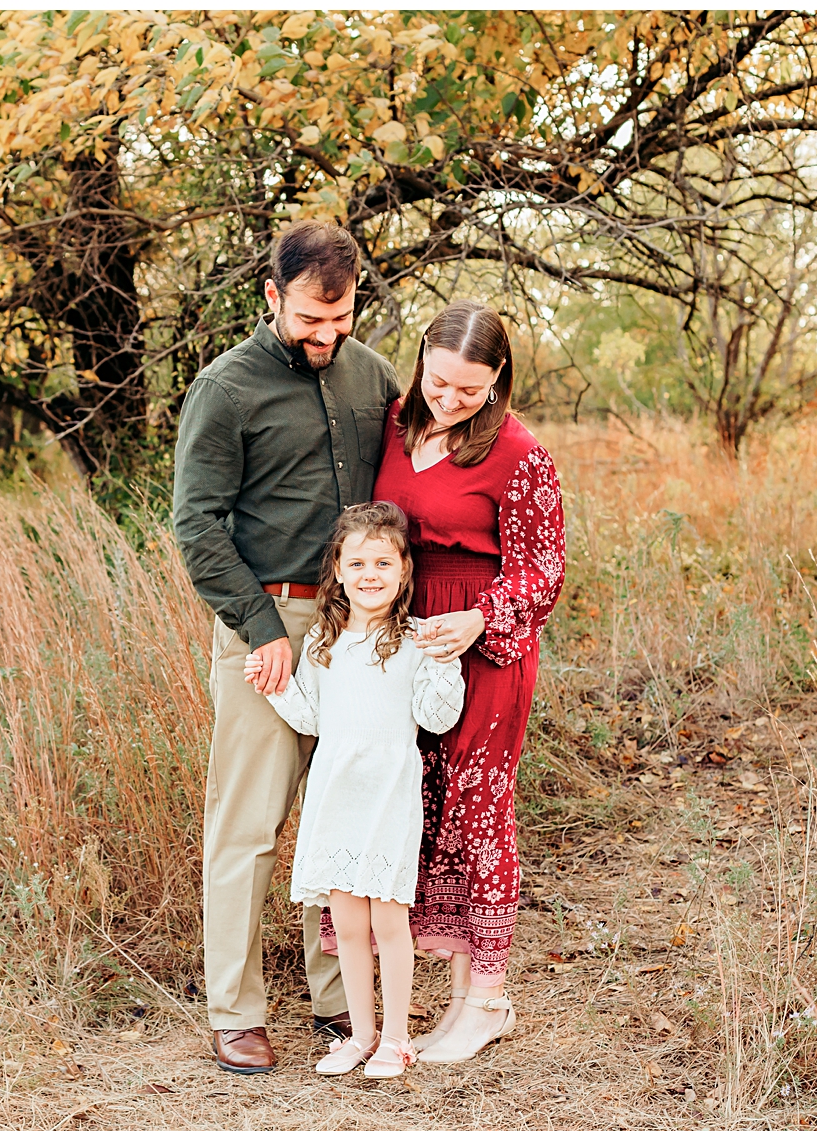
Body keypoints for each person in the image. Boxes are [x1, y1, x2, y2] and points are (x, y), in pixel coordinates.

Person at [172, 222, 405, 1074]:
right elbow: (195, 526)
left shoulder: (370, 373)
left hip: (358, 630)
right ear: (272, 297)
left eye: (339, 319)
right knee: (249, 825)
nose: (326, 335)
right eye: (311, 318)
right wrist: (261, 634)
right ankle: (234, 1011)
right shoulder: (224, 389)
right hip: (267, 626)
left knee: (345, 813)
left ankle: (341, 1000)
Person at [370, 299, 566, 1064]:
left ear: (499, 381)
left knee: (479, 808)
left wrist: (483, 619)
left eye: (470, 389)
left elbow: (543, 569)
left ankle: (484, 998)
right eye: (440, 382)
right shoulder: (392, 424)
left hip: (481, 645)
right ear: (421, 358)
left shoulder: (518, 453)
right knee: (417, 805)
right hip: (406, 634)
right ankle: (444, 996)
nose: (450, 399)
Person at [252, 503, 465, 1078]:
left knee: (389, 923)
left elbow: (438, 719)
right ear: (339, 572)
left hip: (389, 791)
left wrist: (447, 665)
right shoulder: (325, 639)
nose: (370, 574)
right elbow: (311, 719)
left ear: (403, 572)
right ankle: (361, 1035)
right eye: (357, 563)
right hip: (335, 791)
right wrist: (273, 687)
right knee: (347, 923)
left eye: (383, 563)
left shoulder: (420, 638)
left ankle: (397, 1038)